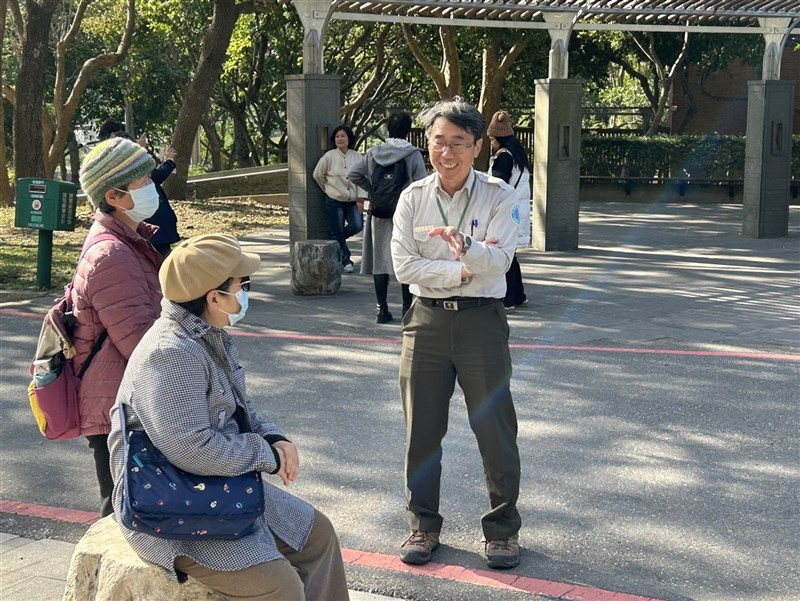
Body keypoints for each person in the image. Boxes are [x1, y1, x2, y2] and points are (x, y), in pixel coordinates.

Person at [107, 234, 350, 601]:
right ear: (214, 297)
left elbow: (239, 408)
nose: (247, 293)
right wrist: (266, 455)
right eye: (243, 285)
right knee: (280, 587)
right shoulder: (170, 354)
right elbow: (191, 448)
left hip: (217, 484)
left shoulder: (204, 335)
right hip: (172, 505)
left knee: (317, 536)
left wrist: (274, 438)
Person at [391, 98, 523, 569]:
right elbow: (404, 267)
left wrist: (466, 247)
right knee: (421, 431)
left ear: (478, 146)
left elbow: (500, 262)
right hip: (425, 321)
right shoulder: (413, 198)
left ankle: (503, 531)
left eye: (459, 143)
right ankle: (422, 525)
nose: (447, 153)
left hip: (481, 322)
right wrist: (464, 267)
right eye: (439, 142)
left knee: (495, 429)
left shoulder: (500, 196)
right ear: (427, 144)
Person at [75, 137, 164, 517]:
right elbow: (139, 340)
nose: (153, 186)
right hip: (119, 407)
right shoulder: (112, 254)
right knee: (122, 516)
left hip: (122, 401)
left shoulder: (127, 241)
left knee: (129, 509)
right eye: (143, 180)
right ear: (114, 196)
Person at [348, 112, 427, 323]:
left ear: (388, 129)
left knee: (380, 260)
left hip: (379, 212)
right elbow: (421, 184)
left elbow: (354, 174)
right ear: (407, 131)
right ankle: (406, 310)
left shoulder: (374, 152)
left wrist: (372, 190)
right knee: (406, 258)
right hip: (405, 213)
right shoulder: (413, 154)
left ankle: (381, 310)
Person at [99, 118, 181, 257]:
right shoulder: (120, 168)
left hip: (157, 227)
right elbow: (157, 175)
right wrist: (168, 160)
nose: (148, 183)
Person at [487, 110, 531, 312]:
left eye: (491, 139)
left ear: (498, 139)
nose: (491, 143)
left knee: (504, 255)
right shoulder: (518, 156)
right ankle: (519, 295)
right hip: (518, 209)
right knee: (511, 254)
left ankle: (508, 298)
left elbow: (497, 185)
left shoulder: (503, 157)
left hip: (505, 210)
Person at [312, 125, 367, 273]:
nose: (340, 139)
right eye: (337, 136)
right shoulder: (329, 156)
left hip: (352, 201)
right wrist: (328, 189)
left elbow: (363, 178)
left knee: (357, 226)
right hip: (334, 201)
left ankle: (337, 239)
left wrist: (362, 197)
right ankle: (346, 260)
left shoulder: (357, 156)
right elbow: (317, 175)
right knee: (337, 232)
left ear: (349, 139)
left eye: (343, 136)